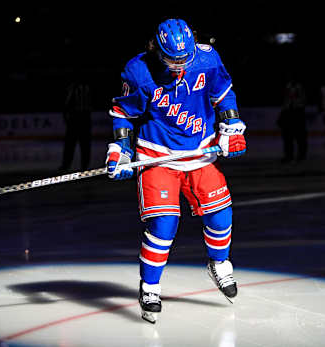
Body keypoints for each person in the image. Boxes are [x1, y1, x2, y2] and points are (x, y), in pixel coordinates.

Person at [105, 18, 246, 323]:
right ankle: (150, 287)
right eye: (173, 61)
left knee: (221, 213)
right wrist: (120, 149)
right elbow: (122, 112)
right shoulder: (139, 71)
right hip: (158, 157)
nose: (180, 66)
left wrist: (232, 124)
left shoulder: (207, 57)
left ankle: (219, 264)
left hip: (200, 152)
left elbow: (223, 93)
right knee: (163, 226)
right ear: (157, 52)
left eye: (185, 59)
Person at [59, 76, 92, 171]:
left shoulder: (76, 87)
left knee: (77, 143)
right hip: (79, 118)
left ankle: (80, 165)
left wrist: (66, 116)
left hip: (79, 118)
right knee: (75, 143)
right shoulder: (77, 87)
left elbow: (66, 103)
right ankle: (74, 165)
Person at [277, 72, 307, 163]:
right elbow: (286, 101)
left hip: (297, 112)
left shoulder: (299, 88)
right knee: (287, 136)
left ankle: (301, 155)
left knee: (299, 136)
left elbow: (302, 100)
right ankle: (289, 155)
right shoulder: (288, 87)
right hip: (288, 112)